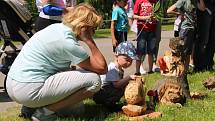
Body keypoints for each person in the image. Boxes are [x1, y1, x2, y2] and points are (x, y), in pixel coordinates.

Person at [6, 3, 107, 121]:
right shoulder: (69, 43)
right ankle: (45, 113)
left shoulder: (54, 28)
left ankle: (29, 108)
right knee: (94, 81)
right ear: (84, 26)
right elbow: (102, 68)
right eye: (93, 28)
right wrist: (89, 41)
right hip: (28, 91)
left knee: (76, 98)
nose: (94, 32)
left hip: (12, 86)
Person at [167, 0, 205, 98]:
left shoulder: (195, 1)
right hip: (185, 30)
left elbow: (202, 8)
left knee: (188, 53)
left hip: (192, 29)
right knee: (182, 54)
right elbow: (168, 10)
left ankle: (185, 72)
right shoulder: (183, 1)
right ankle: (181, 74)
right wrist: (180, 14)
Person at [93, 41, 139, 112]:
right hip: (101, 93)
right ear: (116, 56)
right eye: (126, 59)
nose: (129, 63)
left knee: (124, 86)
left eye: (131, 60)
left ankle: (112, 102)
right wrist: (128, 77)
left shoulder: (119, 68)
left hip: (106, 91)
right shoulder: (113, 68)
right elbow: (116, 85)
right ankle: (109, 105)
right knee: (121, 88)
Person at [133, 0, 157, 75]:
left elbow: (157, 15)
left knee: (151, 50)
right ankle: (137, 71)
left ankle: (150, 70)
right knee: (140, 50)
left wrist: (154, 18)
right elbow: (134, 16)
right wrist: (145, 18)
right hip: (142, 29)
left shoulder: (154, 2)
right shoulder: (139, 1)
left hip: (152, 30)